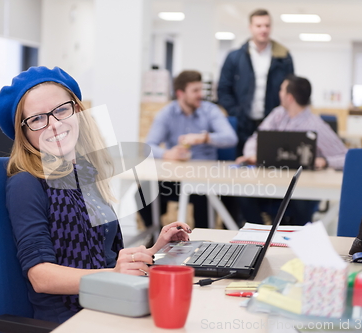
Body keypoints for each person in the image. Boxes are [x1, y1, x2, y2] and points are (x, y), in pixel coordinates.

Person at [0, 66, 191, 323]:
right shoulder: (26, 183)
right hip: (70, 318)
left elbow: (104, 258)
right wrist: (113, 274)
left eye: (61, 110)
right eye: (37, 119)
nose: (54, 125)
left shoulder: (85, 173)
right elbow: (40, 277)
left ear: (77, 111)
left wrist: (156, 249)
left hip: (108, 302)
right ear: (24, 132)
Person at [236, 75, 347, 225]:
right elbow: (255, 139)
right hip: (271, 182)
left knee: (299, 201)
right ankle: (260, 235)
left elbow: (346, 157)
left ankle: (293, 241)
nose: (279, 93)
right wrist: (252, 155)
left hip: (300, 189)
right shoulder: (277, 115)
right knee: (244, 193)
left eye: (281, 90)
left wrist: (325, 161)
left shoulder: (316, 125)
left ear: (289, 97)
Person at [139, 70, 238, 228]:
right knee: (143, 193)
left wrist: (205, 138)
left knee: (204, 200)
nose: (200, 95)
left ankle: (204, 243)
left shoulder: (210, 111)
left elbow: (231, 138)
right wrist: (167, 154)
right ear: (180, 93)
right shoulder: (166, 114)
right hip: (175, 178)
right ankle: (156, 235)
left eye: (201, 90)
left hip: (204, 178)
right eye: (195, 91)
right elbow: (148, 147)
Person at [217, 8, 294, 156]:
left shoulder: (284, 58)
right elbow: (223, 89)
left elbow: (290, 90)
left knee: (270, 168)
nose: (263, 29)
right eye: (259, 26)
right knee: (242, 168)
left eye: (267, 25)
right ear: (250, 28)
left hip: (273, 124)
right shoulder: (235, 57)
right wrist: (236, 113)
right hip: (242, 124)